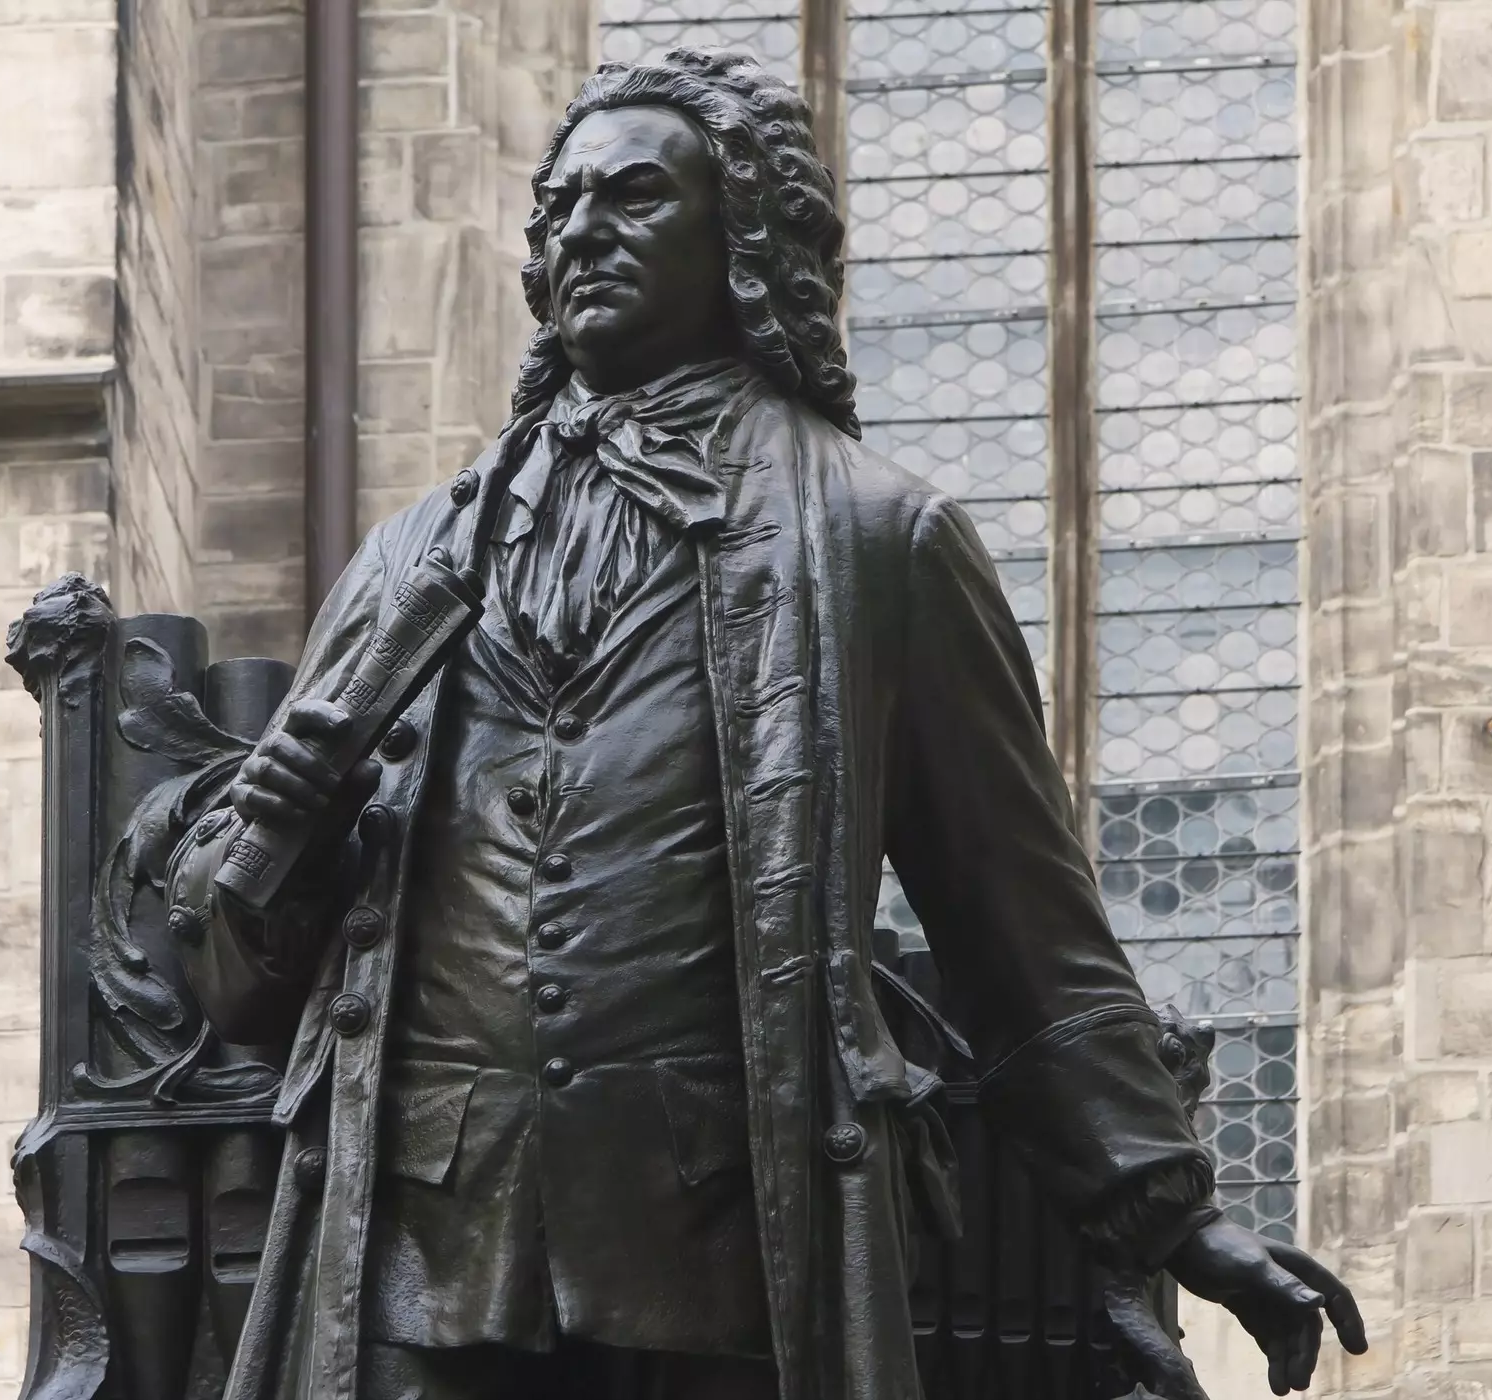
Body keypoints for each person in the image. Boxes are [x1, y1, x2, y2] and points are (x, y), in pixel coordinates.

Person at [165, 47, 1364, 1400]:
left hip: (722, 1252)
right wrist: (290, 800)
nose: (581, 235)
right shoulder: (411, 560)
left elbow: (1017, 920)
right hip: (424, 1248)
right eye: (557, 211)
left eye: (632, 200)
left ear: (739, 239)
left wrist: (1168, 1215)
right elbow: (244, 994)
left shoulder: (873, 539)